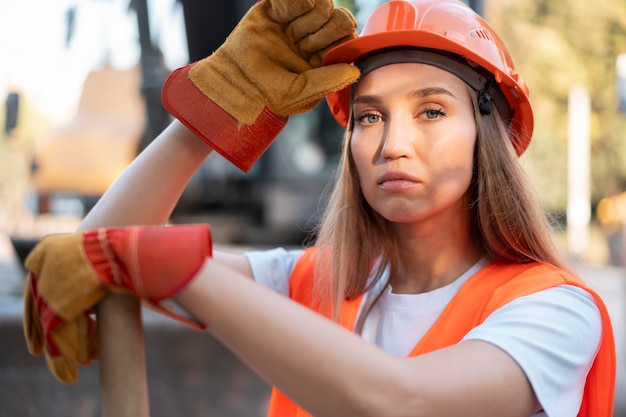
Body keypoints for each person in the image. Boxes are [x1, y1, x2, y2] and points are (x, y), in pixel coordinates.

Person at [23, 0, 616, 416]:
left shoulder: (553, 311)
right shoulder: (316, 282)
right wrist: (214, 109)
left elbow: (402, 402)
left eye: (431, 111)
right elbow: (89, 250)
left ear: (488, 135)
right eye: (369, 117)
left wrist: (182, 265)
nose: (393, 144)